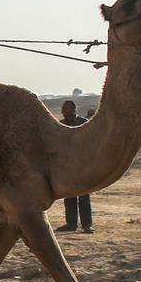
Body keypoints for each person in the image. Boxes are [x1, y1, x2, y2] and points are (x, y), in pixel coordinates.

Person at [56, 100, 94, 233]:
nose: (63, 111)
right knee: (69, 195)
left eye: (66, 108)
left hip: (82, 163)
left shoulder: (83, 123)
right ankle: (71, 224)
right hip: (67, 165)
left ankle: (87, 224)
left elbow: (90, 142)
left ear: (73, 109)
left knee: (84, 195)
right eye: (63, 109)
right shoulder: (60, 125)